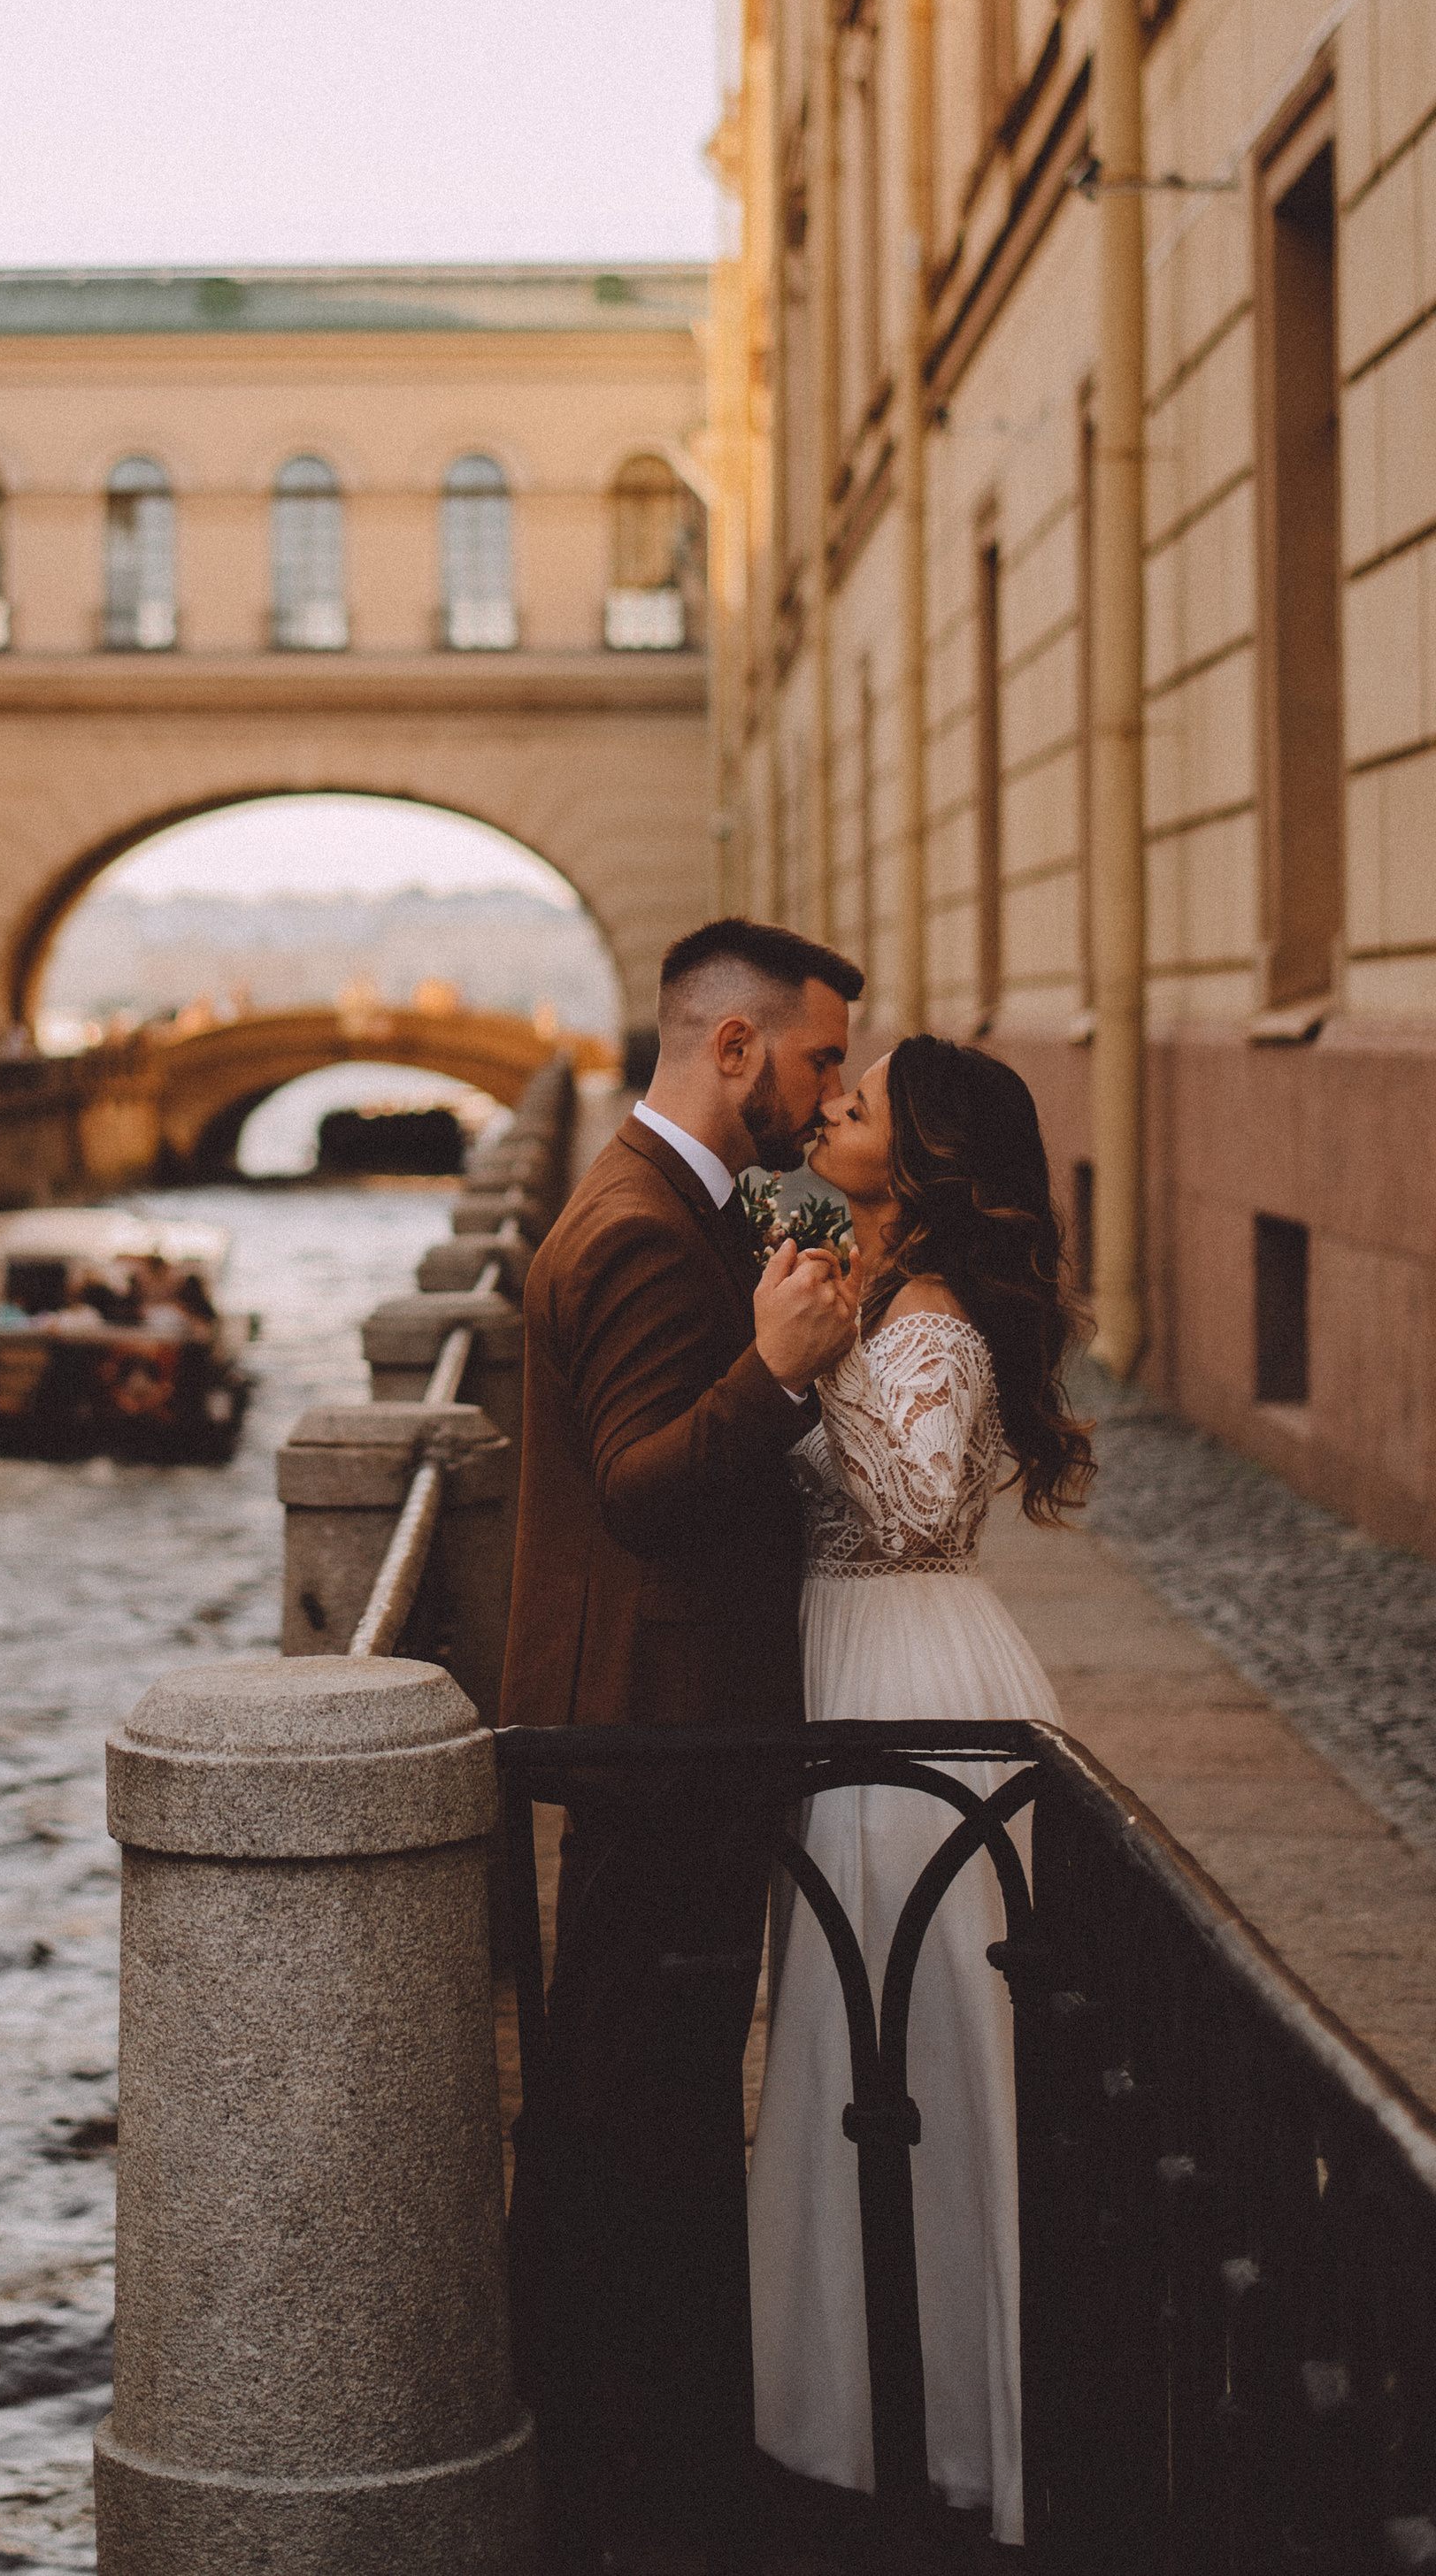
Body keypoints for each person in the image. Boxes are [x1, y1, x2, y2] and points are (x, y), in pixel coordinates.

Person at [502, 916, 864, 2565]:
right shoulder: (643, 1226)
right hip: (663, 1726)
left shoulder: (667, 1199)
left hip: (658, 1718)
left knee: (622, 2086)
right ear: (732, 1050)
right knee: (631, 2095)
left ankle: (613, 2415)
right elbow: (647, 1485)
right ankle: (618, 2450)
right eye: (815, 1062)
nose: (824, 1092)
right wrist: (781, 1374)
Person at [747, 1037, 1092, 2548]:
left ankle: (964, 2431)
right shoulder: (885, 1295)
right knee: (856, 2043)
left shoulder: (936, 1321)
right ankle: (861, 2403)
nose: (828, 1106)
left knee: (935, 2051)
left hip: (915, 1690)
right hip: (856, 1670)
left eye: (860, 1100)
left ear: (926, 1157)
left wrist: (814, 1361)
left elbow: (912, 1506)